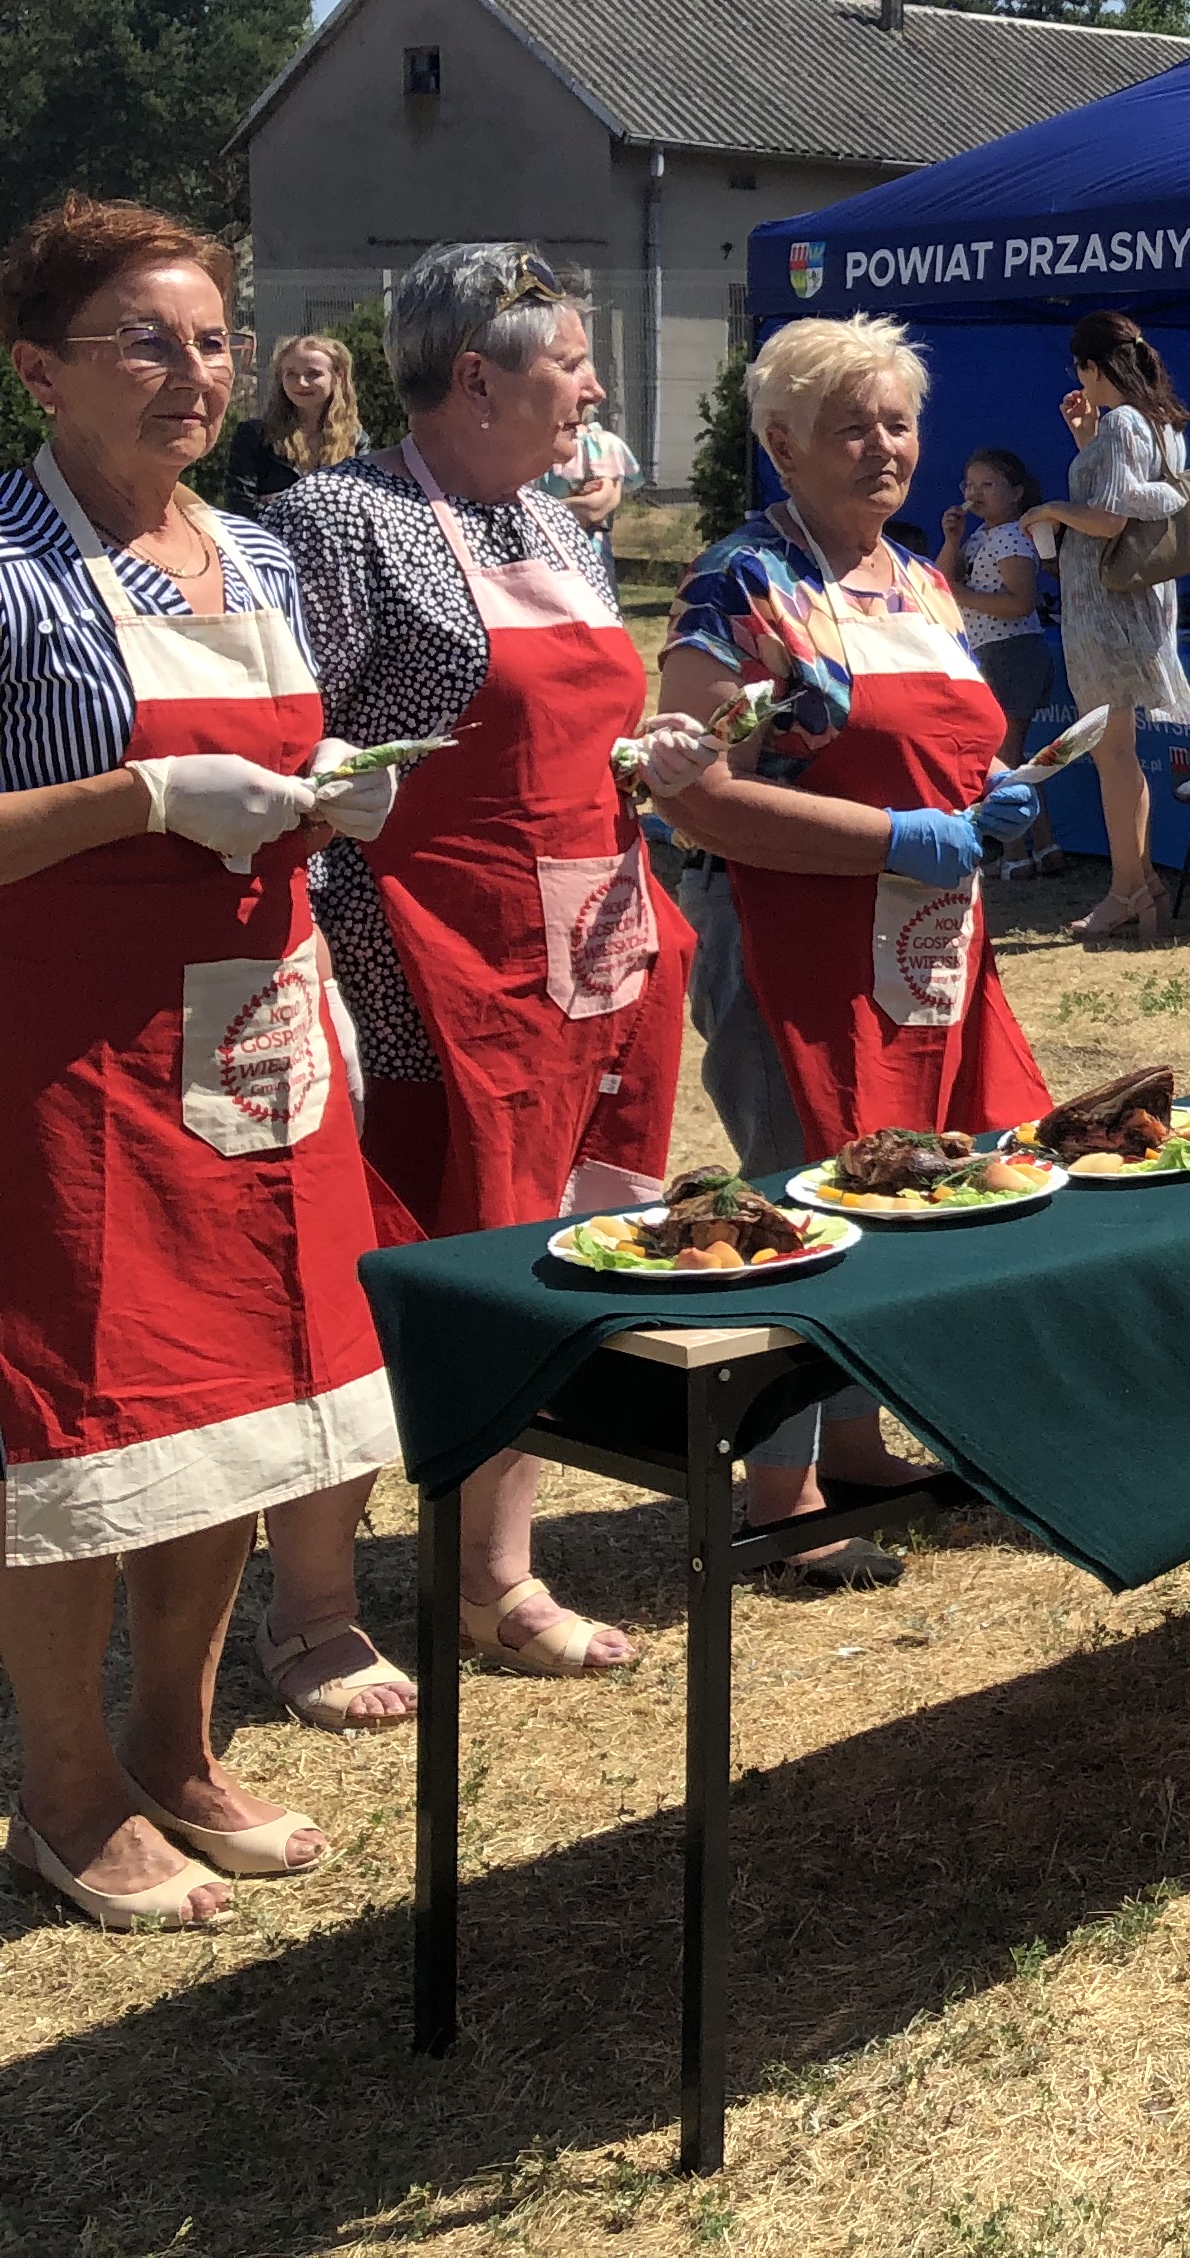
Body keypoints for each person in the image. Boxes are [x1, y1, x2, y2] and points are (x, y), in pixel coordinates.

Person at [0, 195, 407, 1927]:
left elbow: (284, 779)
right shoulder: (9, 573)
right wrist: (144, 794)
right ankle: (64, 1788)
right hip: (65, 1057)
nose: (195, 370)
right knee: (86, 1431)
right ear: (40, 370)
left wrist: (332, 801)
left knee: (235, 1402)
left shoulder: (259, 555)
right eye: (145, 341)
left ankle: (173, 1742)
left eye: (215, 339)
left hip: (256, 1037)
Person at [259, 243, 715, 1706]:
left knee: (545, 1257)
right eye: (571, 362)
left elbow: (569, 733)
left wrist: (647, 759)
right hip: (411, 967)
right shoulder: (341, 518)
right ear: (476, 377)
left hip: (585, 955)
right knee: (378, 1273)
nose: (594, 390)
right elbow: (293, 749)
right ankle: (314, 1608)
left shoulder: (555, 527)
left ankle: (493, 1575)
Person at [655, 316, 1048, 1582]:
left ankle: (858, 1440)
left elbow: (947, 741)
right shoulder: (739, 584)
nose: (883, 447)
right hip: (792, 936)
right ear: (781, 444)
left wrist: (997, 790)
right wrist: (894, 834)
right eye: (849, 427)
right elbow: (693, 790)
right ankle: (778, 1493)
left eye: (898, 422)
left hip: (925, 933)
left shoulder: (921, 580)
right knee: (799, 1189)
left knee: (905, 1177)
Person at [1019, 311, 1190, 948]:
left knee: (1111, 752)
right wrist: (1084, 443)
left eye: (1080, 368)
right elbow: (1128, 496)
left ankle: (1128, 890)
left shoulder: (1124, 422)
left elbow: (1110, 518)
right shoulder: (1157, 422)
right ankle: (1140, 884)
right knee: (1116, 751)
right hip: (1132, 597)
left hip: (1106, 603)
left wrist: (1050, 508)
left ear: (1091, 366)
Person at [939, 447, 1057, 878]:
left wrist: (961, 595)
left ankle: (1016, 855)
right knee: (1013, 756)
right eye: (970, 484)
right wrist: (952, 539)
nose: (976, 493)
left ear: (1016, 492)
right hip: (989, 653)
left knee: (1002, 758)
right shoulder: (980, 536)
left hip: (1011, 652)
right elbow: (942, 582)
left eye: (988, 484)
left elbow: (1020, 602)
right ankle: (1046, 847)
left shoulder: (1011, 535)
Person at [218, 330, 360, 516]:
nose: (301, 383)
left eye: (313, 374)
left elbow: (359, 505)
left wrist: (278, 500)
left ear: (337, 377)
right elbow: (240, 507)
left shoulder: (356, 439)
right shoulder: (255, 435)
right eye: (291, 374)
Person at [539, 413, 641, 537]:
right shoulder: (529, 447)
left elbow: (594, 506)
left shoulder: (601, 443)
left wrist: (536, 511)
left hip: (585, 543)